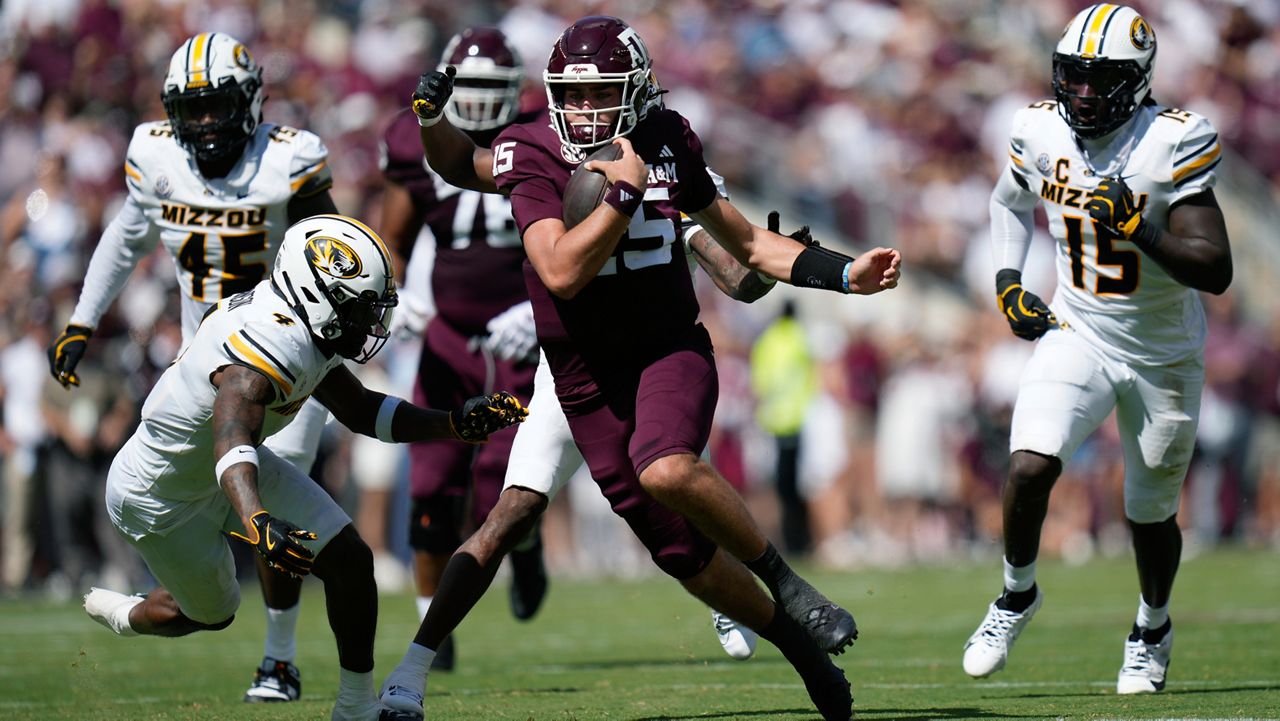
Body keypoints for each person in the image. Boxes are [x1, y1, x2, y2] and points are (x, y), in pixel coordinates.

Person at [378, 16, 901, 720]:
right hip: (580, 379)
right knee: (683, 556)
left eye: (603, 96)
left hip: (664, 351)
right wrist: (616, 194)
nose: (586, 112)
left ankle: (793, 586)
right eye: (574, 95)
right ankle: (800, 647)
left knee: (665, 466)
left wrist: (843, 273)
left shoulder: (666, 139)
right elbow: (557, 268)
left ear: (639, 91)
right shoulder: (533, 148)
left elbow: (743, 245)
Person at [81, 214, 527, 721]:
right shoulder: (270, 342)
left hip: (225, 468)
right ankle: (126, 615)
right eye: (361, 308)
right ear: (317, 294)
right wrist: (258, 520)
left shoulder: (303, 327)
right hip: (158, 495)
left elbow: (361, 411)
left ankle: (357, 708)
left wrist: (452, 424)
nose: (370, 323)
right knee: (211, 614)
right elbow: (231, 437)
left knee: (351, 560)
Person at [45, 32, 338, 703]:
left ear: (250, 101)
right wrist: (83, 320)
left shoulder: (288, 161)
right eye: (193, 107)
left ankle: (279, 658)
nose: (205, 121)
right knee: (203, 508)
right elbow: (126, 237)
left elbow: (333, 246)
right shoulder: (156, 156)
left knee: (274, 511)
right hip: (199, 365)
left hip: (287, 363)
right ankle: (168, 601)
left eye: (218, 105)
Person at [961, 4, 1231, 695]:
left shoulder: (1171, 143)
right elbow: (1007, 203)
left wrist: (1141, 227)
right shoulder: (1037, 128)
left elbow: (1214, 268)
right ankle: (1016, 592)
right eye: (1073, 77)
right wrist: (1008, 282)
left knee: (1149, 513)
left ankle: (1152, 627)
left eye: (1098, 79)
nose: (1081, 92)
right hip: (1077, 328)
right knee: (1028, 465)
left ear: (1137, 80)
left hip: (1162, 351)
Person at [378, 27, 549, 671]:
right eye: (466, 88)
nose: (476, 104)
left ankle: (526, 549)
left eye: (490, 89)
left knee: (504, 482)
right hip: (446, 333)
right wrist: (390, 294)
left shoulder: (542, 137)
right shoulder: (414, 140)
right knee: (431, 482)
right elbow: (390, 238)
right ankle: (432, 625)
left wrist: (540, 311)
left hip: (524, 333)